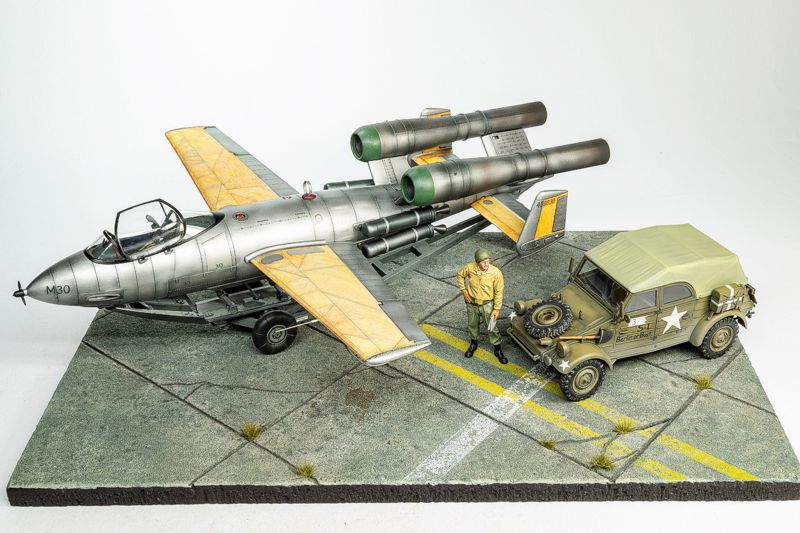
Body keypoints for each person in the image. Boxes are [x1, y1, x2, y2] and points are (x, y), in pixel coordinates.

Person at [456, 248, 507, 364]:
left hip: (487, 305)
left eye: (488, 261)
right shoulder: (470, 268)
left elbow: (499, 291)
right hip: (472, 303)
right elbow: (460, 275)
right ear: (477, 262)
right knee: (472, 324)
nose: (486, 264)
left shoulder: (496, 273)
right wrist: (463, 290)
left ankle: (497, 349)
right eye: (483, 262)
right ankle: (473, 343)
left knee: (492, 326)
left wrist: (496, 308)